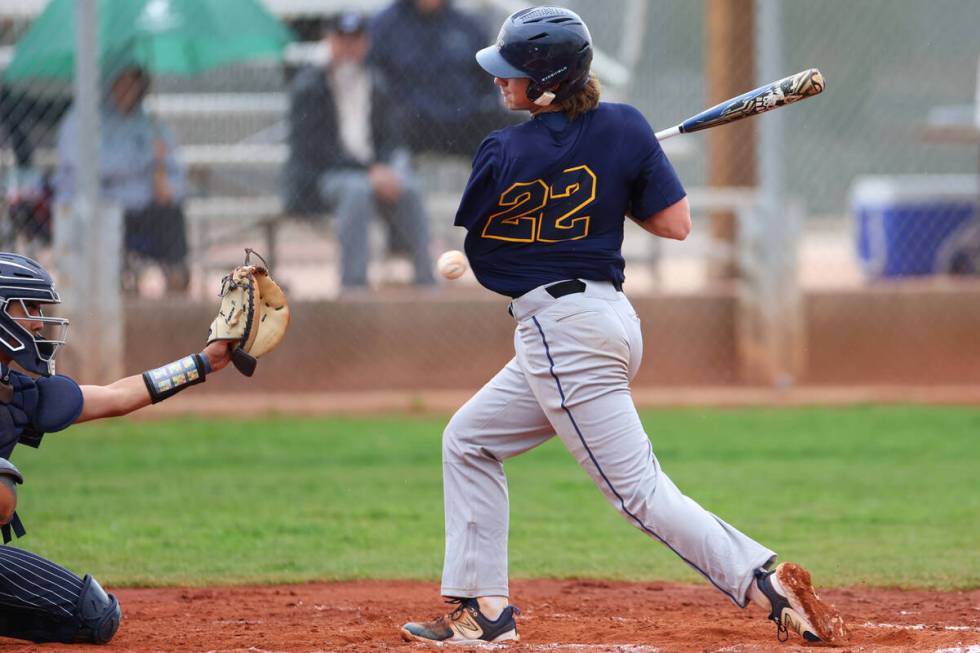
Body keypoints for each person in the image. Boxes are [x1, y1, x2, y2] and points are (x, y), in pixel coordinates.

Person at [399, 7, 849, 646]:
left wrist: (594, 176)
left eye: (514, 74)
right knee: (469, 440)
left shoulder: (505, 149)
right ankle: (484, 608)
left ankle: (762, 577)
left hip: (565, 334)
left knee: (638, 493)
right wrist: (614, 171)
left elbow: (486, 255)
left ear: (549, 83)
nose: (500, 82)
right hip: (607, 322)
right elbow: (672, 222)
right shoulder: (625, 126)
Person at [0, 252, 236, 644]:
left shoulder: (16, 394)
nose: (40, 323)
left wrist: (204, 362)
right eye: (31, 309)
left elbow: (116, 396)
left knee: (94, 616)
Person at [284, 12, 435, 291]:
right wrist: (369, 172)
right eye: (342, 39)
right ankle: (354, 288)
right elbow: (315, 150)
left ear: (366, 43)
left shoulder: (376, 81)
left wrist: (391, 168)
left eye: (355, 40)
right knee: (357, 191)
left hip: (373, 173)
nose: (349, 47)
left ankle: (426, 282)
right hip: (323, 178)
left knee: (410, 187)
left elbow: (391, 137)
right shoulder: (308, 85)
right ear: (329, 40)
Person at [54, 65, 190, 293]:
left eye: (132, 84)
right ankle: (116, 288)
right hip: (105, 209)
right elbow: (92, 166)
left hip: (144, 211)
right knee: (104, 218)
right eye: (120, 83)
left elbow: (178, 176)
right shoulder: (87, 120)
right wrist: (142, 159)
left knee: (172, 212)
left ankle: (175, 287)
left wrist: (166, 182)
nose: (125, 90)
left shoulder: (152, 125)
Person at [368, 0, 515, 157]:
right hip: (412, 121)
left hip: (463, 119)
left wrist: (484, 105)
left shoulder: (467, 25)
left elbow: (487, 80)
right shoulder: (384, 25)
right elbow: (374, 79)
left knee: (515, 124)